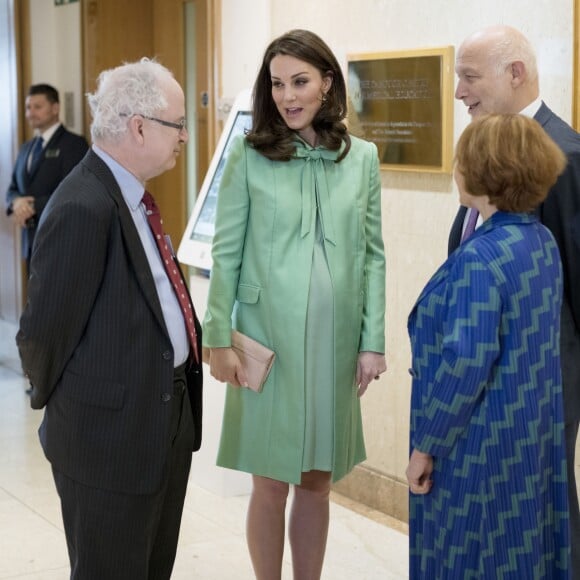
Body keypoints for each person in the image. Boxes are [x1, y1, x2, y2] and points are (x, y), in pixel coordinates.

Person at [203, 29, 386, 580]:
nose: (288, 95)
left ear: (327, 84)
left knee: (317, 481)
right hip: (267, 341)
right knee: (268, 480)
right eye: (278, 83)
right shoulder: (248, 154)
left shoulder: (363, 159)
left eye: (300, 82)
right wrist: (217, 339)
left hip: (333, 347)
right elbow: (226, 250)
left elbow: (374, 255)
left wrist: (371, 340)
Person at [16, 58, 203, 580]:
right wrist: (78, 409)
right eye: (178, 124)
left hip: (161, 424)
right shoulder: (84, 204)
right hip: (108, 445)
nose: (185, 136)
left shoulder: (132, 194)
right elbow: (41, 335)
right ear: (140, 127)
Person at [407, 113, 570, 578]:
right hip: (527, 442)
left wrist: (425, 447)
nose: (455, 169)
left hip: (475, 447)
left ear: (484, 171)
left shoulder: (480, 258)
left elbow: (466, 365)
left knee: (466, 559)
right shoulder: (541, 242)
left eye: (462, 159)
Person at [450, 25, 580, 578]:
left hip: (542, 379)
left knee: (545, 514)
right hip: (489, 381)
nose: (458, 92)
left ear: (516, 74)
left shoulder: (566, 156)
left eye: (469, 77)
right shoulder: (490, 150)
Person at [5, 83, 88, 271]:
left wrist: (32, 206)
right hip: (30, 243)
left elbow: (75, 192)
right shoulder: (26, 148)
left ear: (55, 108)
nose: (30, 113)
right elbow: (11, 189)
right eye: (28, 107)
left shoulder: (74, 144)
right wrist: (17, 202)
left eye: (37, 107)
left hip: (61, 241)